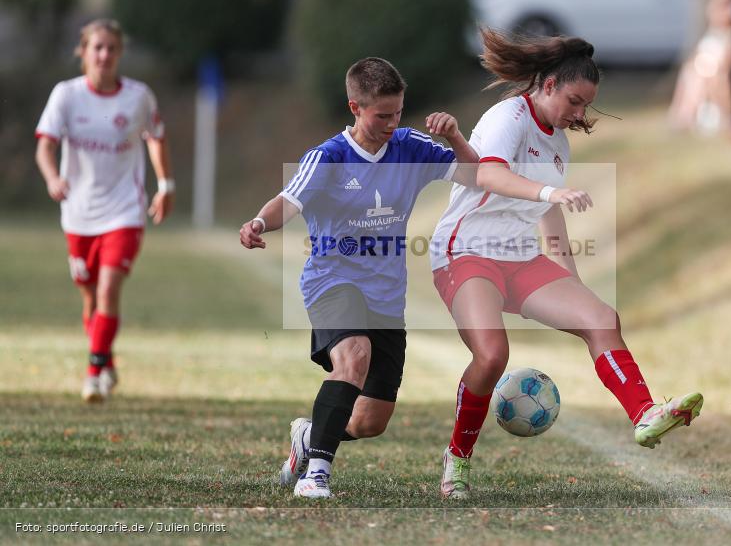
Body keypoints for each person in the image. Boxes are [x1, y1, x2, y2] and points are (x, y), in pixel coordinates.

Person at [430, 28, 703, 499]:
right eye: (574, 102)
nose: (579, 114)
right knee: (492, 356)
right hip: (465, 252)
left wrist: (570, 282)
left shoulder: (558, 143)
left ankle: (645, 415)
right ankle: (457, 458)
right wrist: (549, 191)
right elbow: (489, 174)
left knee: (601, 319)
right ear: (550, 84)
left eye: (586, 106)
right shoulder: (509, 115)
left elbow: (548, 214)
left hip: (520, 259)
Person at [238, 57, 478, 499]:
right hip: (333, 280)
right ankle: (315, 476)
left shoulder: (410, 147)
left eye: (398, 112)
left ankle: (308, 438)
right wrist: (258, 223)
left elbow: (473, 175)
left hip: (386, 295)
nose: (393, 123)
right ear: (355, 107)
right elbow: (287, 201)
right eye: (382, 115)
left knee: (370, 422)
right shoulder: (329, 157)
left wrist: (455, 137)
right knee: (354, 356)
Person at [35, 18, 174, 404]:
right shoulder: (66, 95)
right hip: (78, 214)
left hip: (124, 211)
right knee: (90, 299)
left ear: (120, 53)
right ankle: (107, 358)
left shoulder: (138, 97)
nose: (104, 55)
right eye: (97, 47)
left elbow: (156, 138)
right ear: (83, 52)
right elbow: (45, 147)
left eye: (112, 48)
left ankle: (94, 373)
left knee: (108, 289)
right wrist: (52, 178)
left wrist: (166, 185)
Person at [668, 0, 731, 134]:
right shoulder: (715, 17)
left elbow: (729, 50)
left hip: (719, 55)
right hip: (710, 51)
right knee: (691, 74)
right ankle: (684, 114)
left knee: (709, 76)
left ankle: (712, 116)